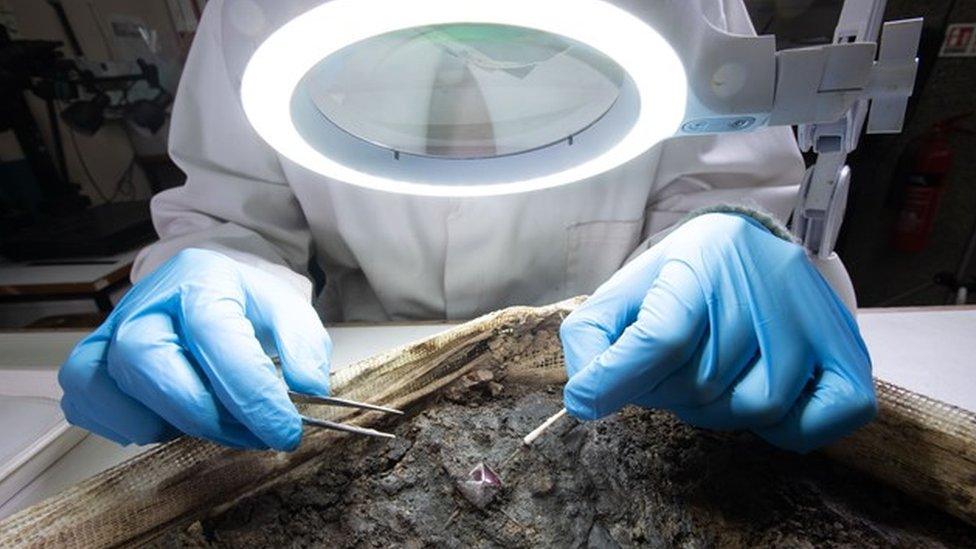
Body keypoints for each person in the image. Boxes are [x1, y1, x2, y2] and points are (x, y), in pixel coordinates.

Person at [58, 0, 875, 454]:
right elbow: (232, 216)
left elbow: (729, 185)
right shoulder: (262, 13)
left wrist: (727, 237)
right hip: (353, 370)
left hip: (635, 375)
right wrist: (216, 272)